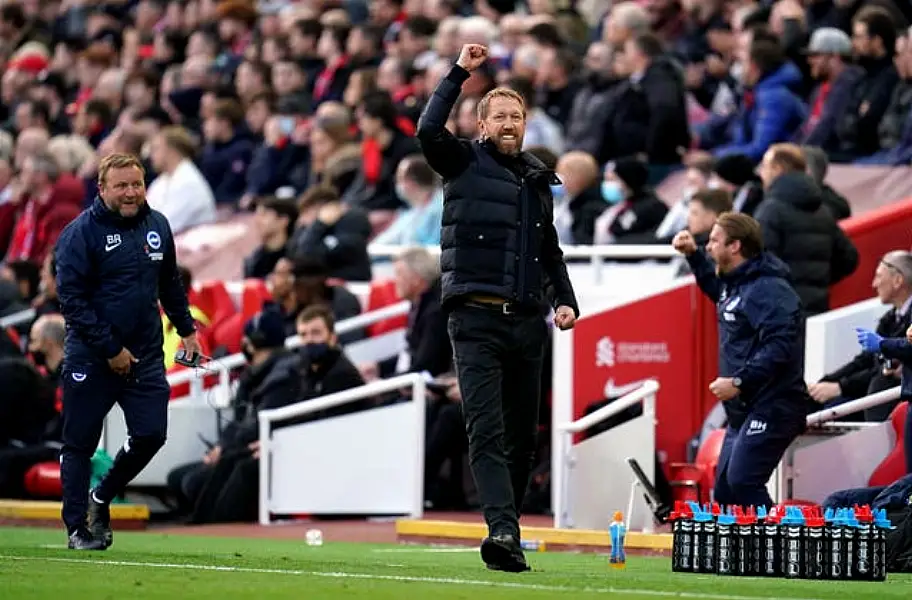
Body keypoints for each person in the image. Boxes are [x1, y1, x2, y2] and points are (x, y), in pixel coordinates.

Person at [416, 43, 579, 572]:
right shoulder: (460, 159)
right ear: (482, 125)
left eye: (517, 116)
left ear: (526, 125)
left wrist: (566, 301)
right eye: (500, 116)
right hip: (476, 319)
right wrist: (460, 72)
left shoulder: (538, 180)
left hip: (528, 321)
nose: (510, 123)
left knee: (522, 438)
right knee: (484, 429)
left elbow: (548, 251)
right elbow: (427, 131)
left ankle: (507, 524)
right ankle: (503, 531)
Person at [55, 152, 201, 550]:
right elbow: (72, 302)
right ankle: (77, 529)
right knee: (79, 443)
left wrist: (187, 330)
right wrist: (110, 348)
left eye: (136, 184)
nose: (131, 192)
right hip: (91, 356)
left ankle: (100, 497)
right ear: (102, 189)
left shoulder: (158, 225)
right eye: (121, 185)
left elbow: (169, 283)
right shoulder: (79, 234)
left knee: (151, 433)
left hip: (146, 355)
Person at [672, 212, 814, 509]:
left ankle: (780, 549)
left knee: (744, 482)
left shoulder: (769, 289)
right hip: (744, 408)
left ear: (735, 246)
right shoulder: (737, 283)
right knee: (726, 491)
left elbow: (780, 346)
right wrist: (694, 257)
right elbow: (719, 293)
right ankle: (745, 555)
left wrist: (739, 381)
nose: (708, 246)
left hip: (774, 404)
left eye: (713, 241)